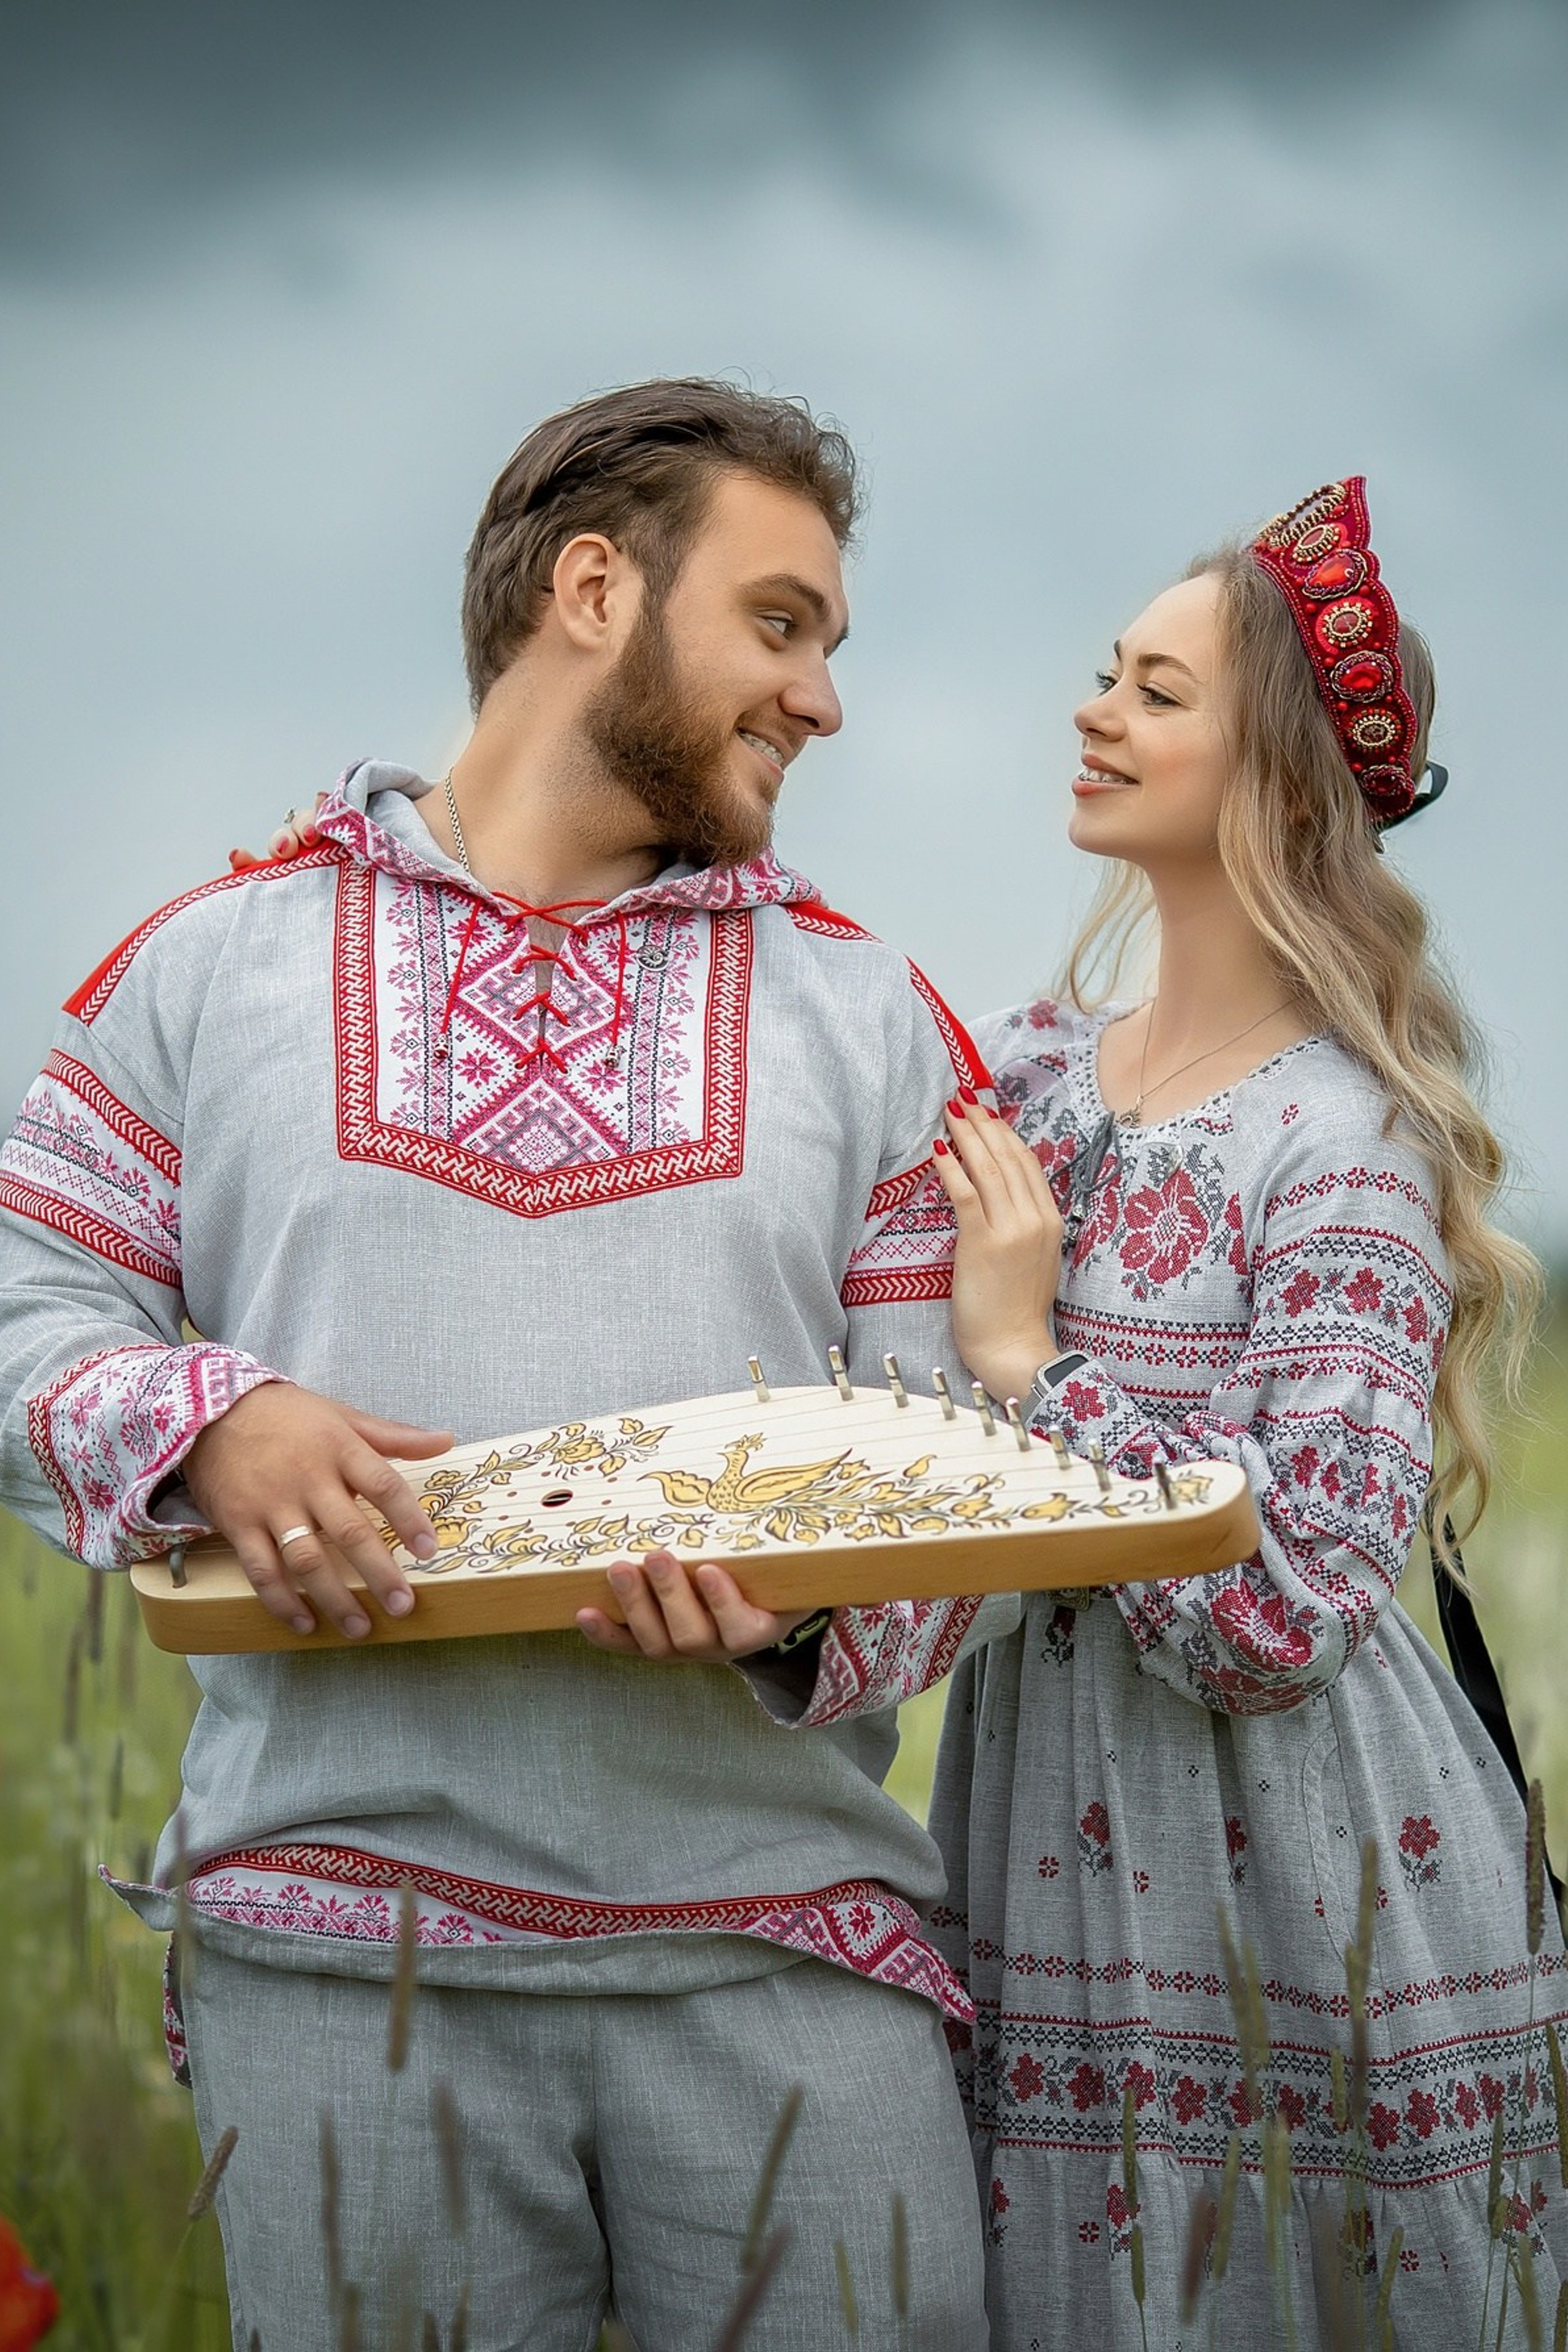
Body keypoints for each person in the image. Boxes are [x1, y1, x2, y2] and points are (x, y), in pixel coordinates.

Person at [0, 380, 999, 2349]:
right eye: (781, 623)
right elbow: (25, 1303)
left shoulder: (877, 1015)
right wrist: (212, 1427)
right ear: (595, 590)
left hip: (790, 1965)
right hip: (341, 1973)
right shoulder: (206, 966)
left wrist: (802, 1599)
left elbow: (962, 1459)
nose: (822, 698)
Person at [604, 479, 1567, 2345]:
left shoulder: (1346, 1145)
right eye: (1107, 672)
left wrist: (1037, 1369)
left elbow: (1289, 1616)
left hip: (1309, 1893)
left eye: (1156, 691)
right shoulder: (1032, 1073)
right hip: (1046, 1853)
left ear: (1282, 782)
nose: (1095, 710)